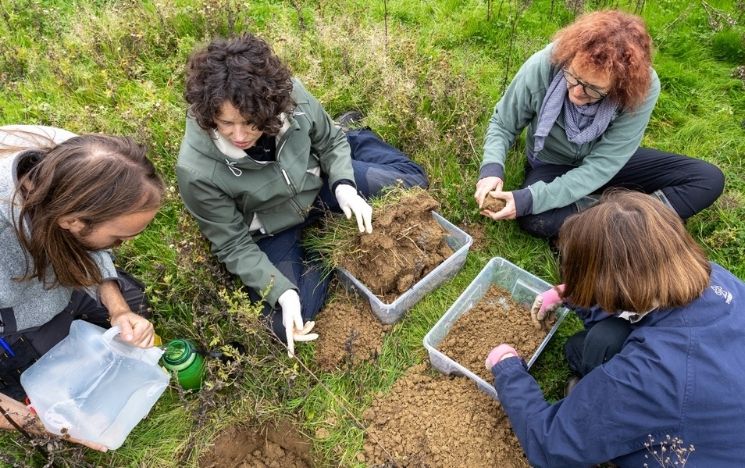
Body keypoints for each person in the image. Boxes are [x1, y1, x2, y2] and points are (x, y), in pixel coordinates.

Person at [176, 34, 428, 356]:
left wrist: (344, 186)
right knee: (288, 324)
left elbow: (330, 143)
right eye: (226, 123)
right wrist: (282, 291)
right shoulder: (196, 170)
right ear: (208, 113)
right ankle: (316, 247)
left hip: (318, 183)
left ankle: (355, 134)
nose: (239, 135)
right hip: (273, 230)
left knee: (413, 183)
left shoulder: (291, 97)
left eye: (251, 123)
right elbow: (231, 244)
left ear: (270, 107)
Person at [485, 191, 745, 466]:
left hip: (704, 454)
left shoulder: (647, 375)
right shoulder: (711, 277)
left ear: (611, 283)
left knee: (592, 373)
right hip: (718, 399)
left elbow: (549, 446)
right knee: (586, 346)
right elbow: (634, 298)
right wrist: (570, 294)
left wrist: (507, 368)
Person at [473, 10, 724, 239]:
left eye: (593, 89)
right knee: (536, 219)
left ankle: (613, 215)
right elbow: (503, 123)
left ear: (620, 86)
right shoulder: (546, 63)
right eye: (572, 77)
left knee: (707, 179)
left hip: (609, 163)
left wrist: (534, 197)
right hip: (553, 163)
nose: (576, 92)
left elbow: (604, 164)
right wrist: (492, 170)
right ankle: (634, 218)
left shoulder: (642, 88)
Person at [0, 125, 163, 451]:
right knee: (59, 399)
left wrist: (118, 310)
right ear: (72, 221)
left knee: (135, 305)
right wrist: (48, 427)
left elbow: (95, 249)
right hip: (14, 322)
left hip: (61, 282)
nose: (125, 245)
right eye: (119, 238)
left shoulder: (71, 158)